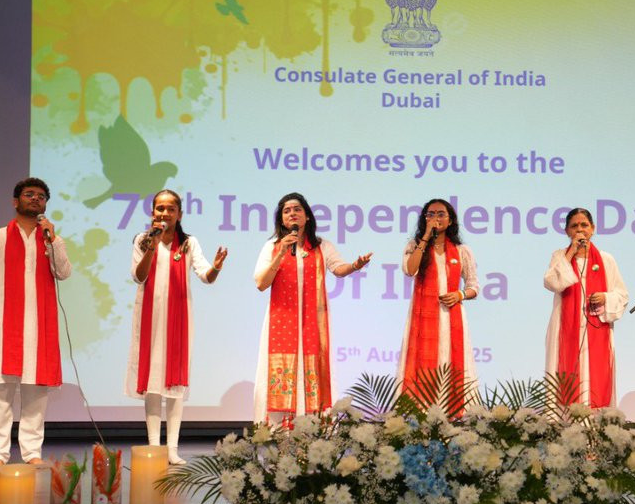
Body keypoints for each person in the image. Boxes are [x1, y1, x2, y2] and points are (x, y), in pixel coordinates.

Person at [0, 177, 71, 470]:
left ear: (45, 204)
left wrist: (53, 240)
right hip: (2, 327)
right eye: (29, 194)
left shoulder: (51, 239)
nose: (35, 199)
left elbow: (63, 272)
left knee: (35, 393)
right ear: (15, 201)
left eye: (41, 196)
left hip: (39, 328)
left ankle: (32, 452)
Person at [126, 190, 228, 465]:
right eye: (160, 208)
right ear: (152, 212)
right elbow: (139, 276)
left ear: (179, 214)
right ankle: (154, 446)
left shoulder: (189, 243)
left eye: (170, 209)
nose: (165, 213)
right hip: (150, 319)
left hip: (179, 321)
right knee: (152, 384)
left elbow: (206, 276)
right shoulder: (142, 240)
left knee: (175, 384)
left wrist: (216, 267)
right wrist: (152, 245)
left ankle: (172, 448)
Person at [253, 193, 371, 423]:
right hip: (281, 321)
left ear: (307, 216)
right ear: (281, 219)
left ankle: (310, 429)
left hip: (311, 323)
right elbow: (261, 283)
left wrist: (355, 266)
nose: (292, 214)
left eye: (297, 209)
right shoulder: (272, 247)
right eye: (287, 211)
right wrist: (280, 254)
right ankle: (278, 431)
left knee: (312, 368)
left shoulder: (321, 246)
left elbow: (338, 268)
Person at [397, 199, 479, 411]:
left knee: (449, 359)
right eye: (430, 214)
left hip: (452, 317)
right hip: (423, 318)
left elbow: (474, 286)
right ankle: (421, 412)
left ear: (450, 221)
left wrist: (459, 294)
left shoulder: (462, 251)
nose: (435, 218)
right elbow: (410, 270)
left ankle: (453, 413)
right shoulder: (414, 246)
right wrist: (425, 237)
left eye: (441, 214)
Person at [543, 208, 628, 408]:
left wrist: (605, 297)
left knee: (595, 374)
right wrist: (571, 253)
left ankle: (596, 419)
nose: (579, 230)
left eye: (584, 225)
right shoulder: (560, 256)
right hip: (565, 327)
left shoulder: (606, 259)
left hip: (596, 327)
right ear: (567, 231)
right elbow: (552, 283)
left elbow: (622, 294)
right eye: (574, 226)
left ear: (593, 229)